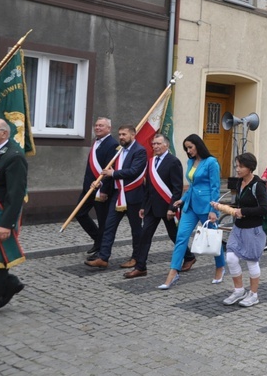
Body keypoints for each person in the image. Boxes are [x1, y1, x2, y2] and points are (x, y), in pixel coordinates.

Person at [123, 134, 195, 279]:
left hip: (166, 206)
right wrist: (143, 206)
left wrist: (172, 208)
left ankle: (188, 257)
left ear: (166, 145)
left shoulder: (173, 161)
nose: (155, 146)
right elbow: (148, 186)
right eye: (154, 144)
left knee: (173, 235)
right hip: (151, 207)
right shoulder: (151, 161)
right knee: (145, 235)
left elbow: (177, 188)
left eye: (158, 143)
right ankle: (140, 267)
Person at [158, 134, 224, 289]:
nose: (188, 151)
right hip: (190, 206)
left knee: (213, 239)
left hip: (207, 207)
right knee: (181, 237)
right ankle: (173, 273)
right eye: (186, 148)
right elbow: (192, 185)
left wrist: (213, 210)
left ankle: (220, 267)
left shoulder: (211, 162)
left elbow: (215, 188)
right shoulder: (190, 161)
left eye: (190, 147)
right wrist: (183, 199)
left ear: (198, 145)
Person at [85, 124, 146, 269]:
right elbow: (110, 171)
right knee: (108, 226)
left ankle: (136, 258)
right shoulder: (119, 151)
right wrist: (100, 183)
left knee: (136, 229)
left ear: (133, 135)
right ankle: (103, 257)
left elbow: (133, 171)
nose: (121, 137)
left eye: (124, 134)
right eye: (119, 135)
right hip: (118, 195)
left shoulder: (140, 151)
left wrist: (112, 174)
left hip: (133, 196)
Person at [211, 153, 267, 308]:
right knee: (230, 258)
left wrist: (244, 212)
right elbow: (237, 205)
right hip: (238, 228)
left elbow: (264, 209)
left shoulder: (258, 185)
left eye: (241, 166)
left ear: (250, 168)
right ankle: (239, 290)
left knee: (251, 261)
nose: (237, 169)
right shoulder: (239, 183)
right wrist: (221, 208)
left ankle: (253, 294)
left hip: (253, 229)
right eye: (236, 166)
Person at [0, 118, 28, 320]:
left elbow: (15, 194)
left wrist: (5, 225)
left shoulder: (14, 157)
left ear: (4, 133)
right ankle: (10, 283)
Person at [77, 117, 118, 259]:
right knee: (80, 213)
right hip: (89, 187)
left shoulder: (112, 144)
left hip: (101, 189)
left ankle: (101, 250)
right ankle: (97, 239)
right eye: (96, 125)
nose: (98, 128)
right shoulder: (96, 142)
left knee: (103, 220)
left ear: (109, 128)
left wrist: (105, 190)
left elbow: (109, 168)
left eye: (101, 126)